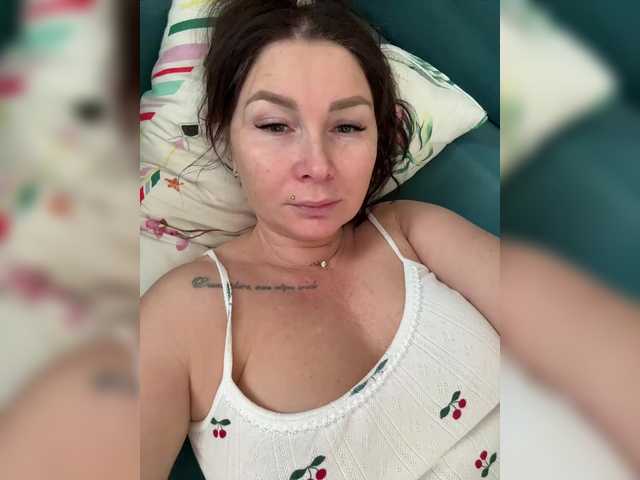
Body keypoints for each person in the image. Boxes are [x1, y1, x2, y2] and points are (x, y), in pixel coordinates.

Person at [140, 1, 500, 479]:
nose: (317, 165)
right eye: (275, 126)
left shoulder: (414, 232)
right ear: (225, 136)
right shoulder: (183, 313)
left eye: (347, 127)